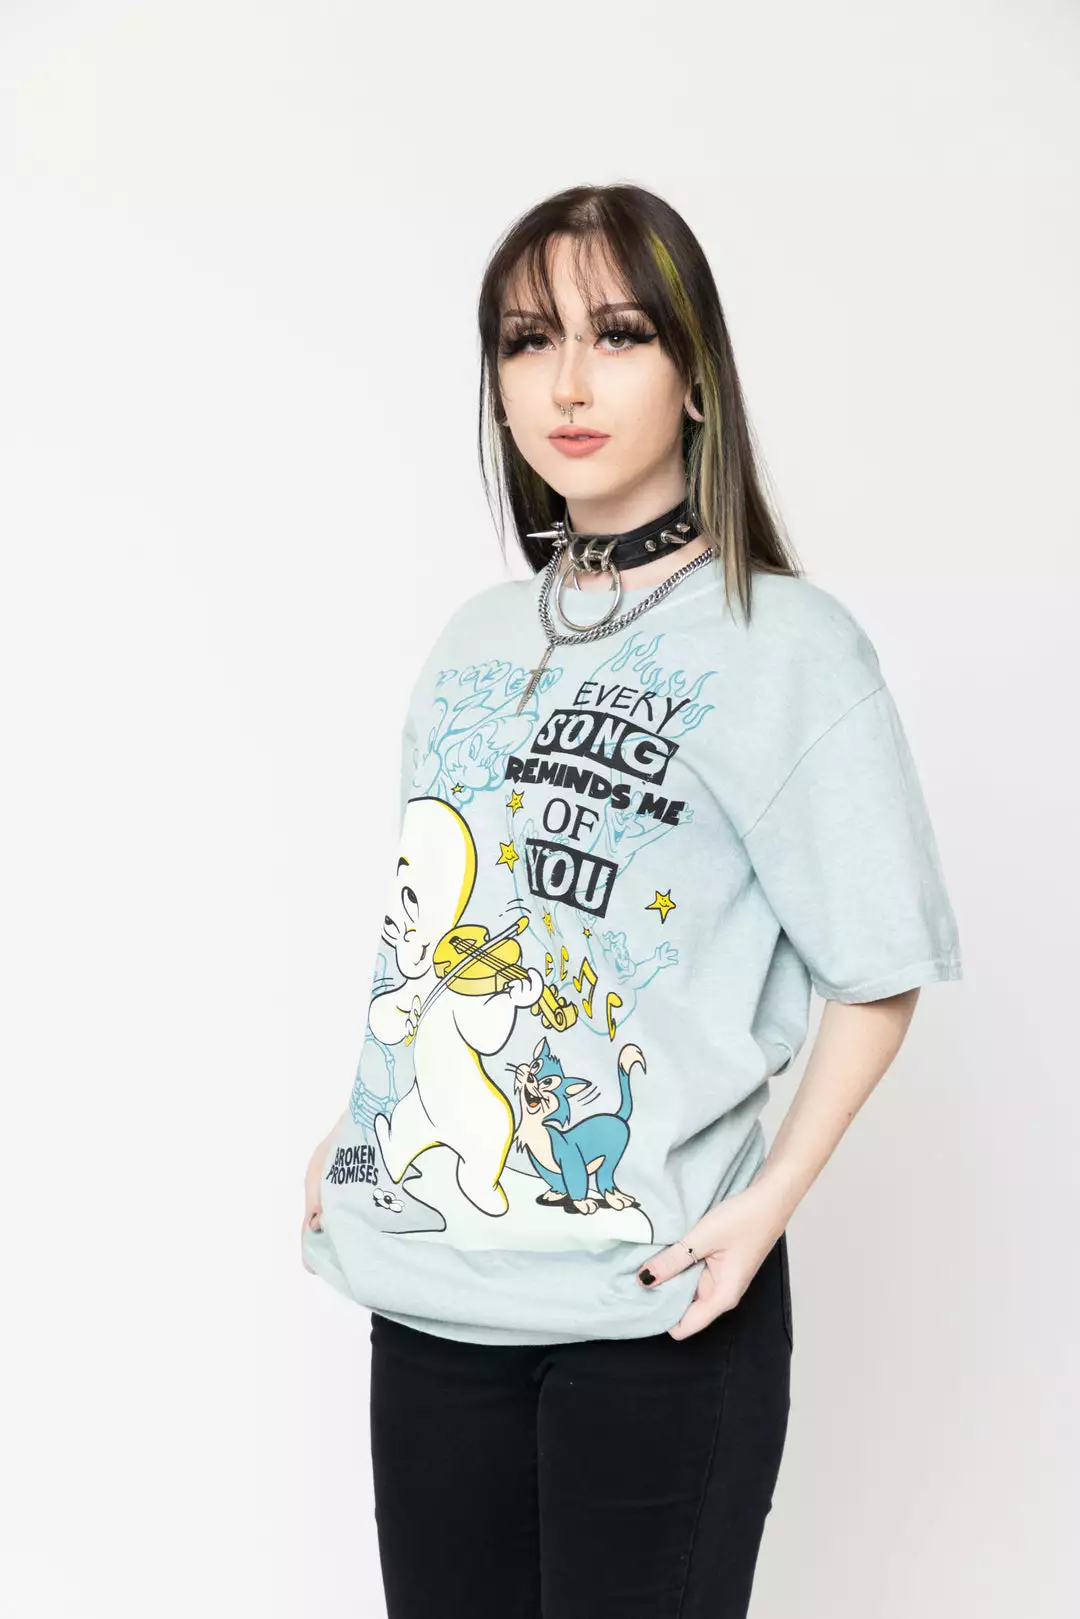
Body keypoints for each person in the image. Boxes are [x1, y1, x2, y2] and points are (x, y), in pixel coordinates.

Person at [300, 183, 963, 1618]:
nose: (569, 382)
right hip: (433, 1296)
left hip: (657, 1306)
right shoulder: (475, 639)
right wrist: (366, 1125)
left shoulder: (788, 643)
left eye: (618, 334)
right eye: (528, 341)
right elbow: (442, 928)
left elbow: (879, 965)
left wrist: (770, 1203)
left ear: (696, 375)